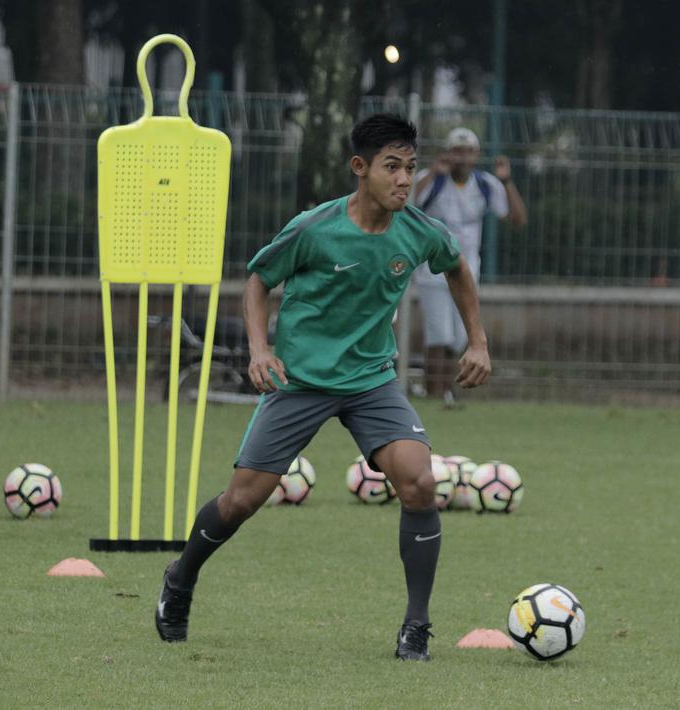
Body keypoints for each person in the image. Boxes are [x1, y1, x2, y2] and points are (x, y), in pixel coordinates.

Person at [154, 114, 492, 661]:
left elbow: (456, 268)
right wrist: (260, 350)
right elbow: (259, 281)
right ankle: (181, 578)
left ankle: (416, 626)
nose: (404, 179)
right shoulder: (314, 228)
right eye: (391, 167)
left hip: (372, 382)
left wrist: (477, 340)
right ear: (360, 168)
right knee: (241, 501)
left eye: (410, 167)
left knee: (420, 482)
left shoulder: (417, 230)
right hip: (300, 381)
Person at [411, 127, 525, 403]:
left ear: (476, 155)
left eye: (468, 152)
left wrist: (507, 182)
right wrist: (434, 175)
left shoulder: (485, 184)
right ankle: (434, 393)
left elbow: (517, 219)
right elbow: (405, 206)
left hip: (467, 271)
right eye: (457, 151)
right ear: (447, 153)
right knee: (439, 334)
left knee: (459, 337)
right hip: (432, 271)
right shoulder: (430, 179)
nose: (462, 158)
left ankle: (447, 390)